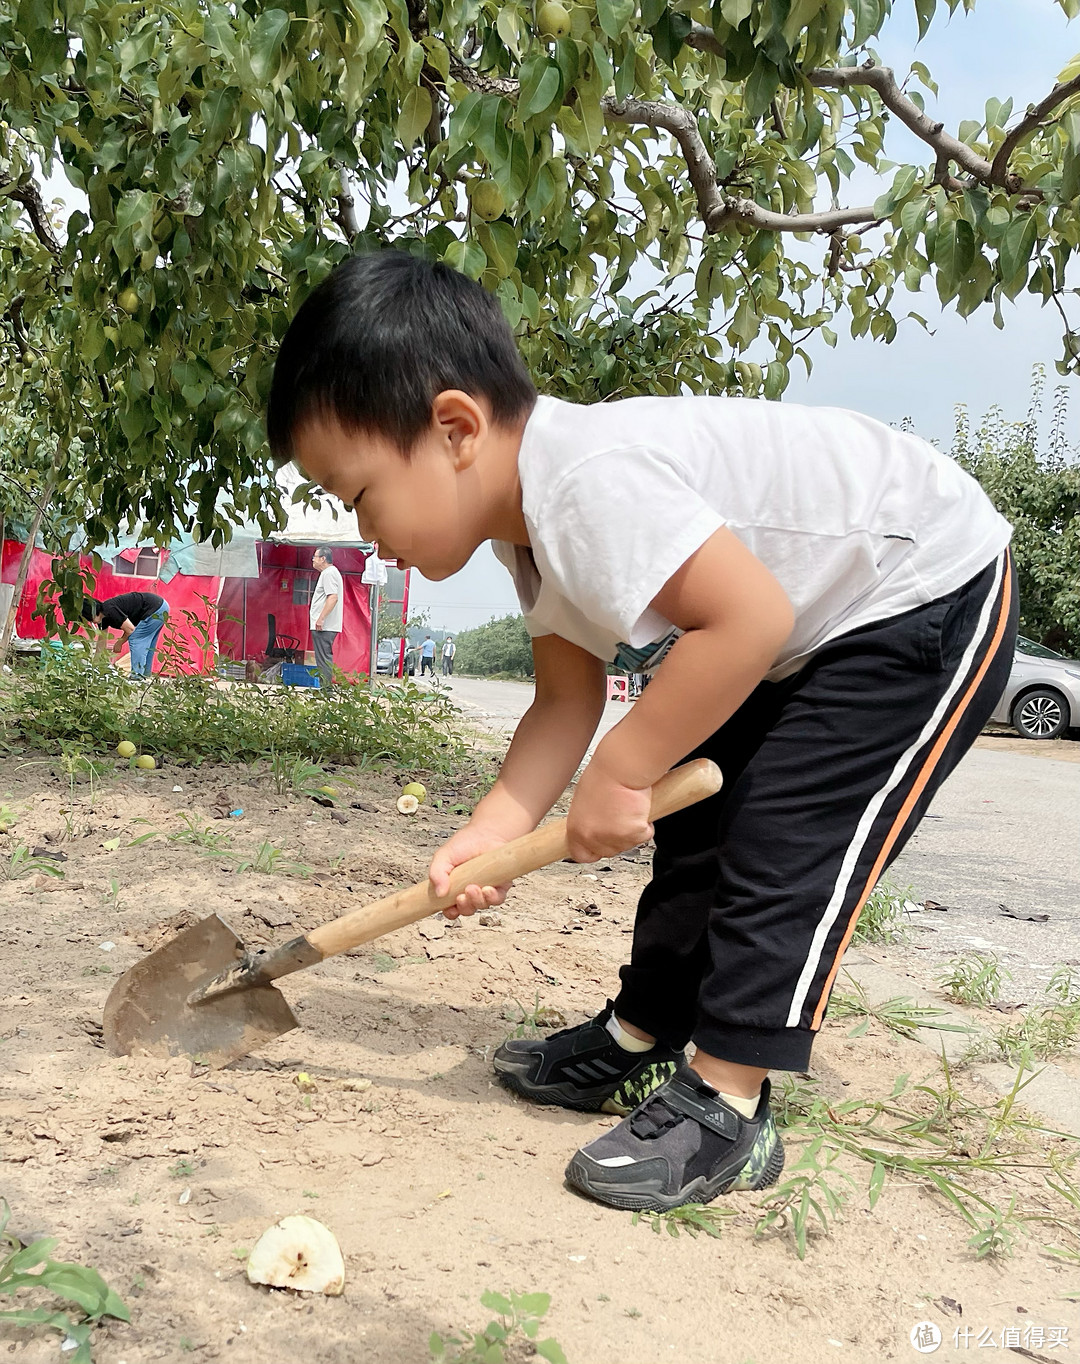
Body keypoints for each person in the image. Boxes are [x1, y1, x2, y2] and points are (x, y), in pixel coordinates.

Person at [267, 252, 1016, 1214]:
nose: (363, 533)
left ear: (454, 428)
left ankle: (730, 1103)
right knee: (699, 832)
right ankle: (643, 1033)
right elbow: (562, 701)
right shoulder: (528, 526)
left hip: (921, 588)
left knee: (784, 832)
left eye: (357, 494)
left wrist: (622, 771)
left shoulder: (584, 486)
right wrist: (494, 830)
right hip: (804, 625)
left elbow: (746, 620)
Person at [81, 591, 169, 679]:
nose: (91, 622)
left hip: (155, 609)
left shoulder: (109, 610)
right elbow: (102, 641)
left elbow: (130, 629)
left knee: (136, 638)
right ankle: (145, 675)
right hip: (160, 607)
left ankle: (137, 677)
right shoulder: (103, 617)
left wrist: (119, 643)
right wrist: (95, 664)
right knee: (148, 645)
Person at [309, 546, 343, 688]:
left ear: (323, 559)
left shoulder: (329, 573)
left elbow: (333, 597)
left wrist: (321, 618)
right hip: (324, 625)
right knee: (322, 659)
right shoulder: (329, 573)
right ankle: (325, 690)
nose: (313, 560)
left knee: (323, 659)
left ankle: (326, 691)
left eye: (315, 557)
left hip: (324, 626)